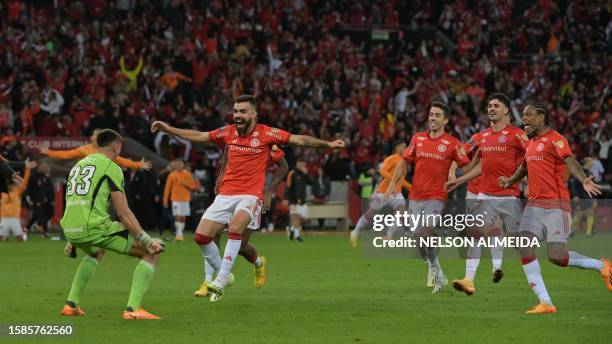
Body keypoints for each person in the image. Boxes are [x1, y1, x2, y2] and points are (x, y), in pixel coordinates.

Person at [151, 94, 345, 302]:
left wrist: (328, 144)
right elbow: (200, 136)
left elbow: (300, 140)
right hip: (226, 194)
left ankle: (219, 279)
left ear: (254, 113)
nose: (237, 115)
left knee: (236, 231)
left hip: (251, 195)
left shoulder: (268, 134)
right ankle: (231, 273)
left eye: (242, 111)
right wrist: (168, 129)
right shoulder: (228, 133)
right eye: (235, 111)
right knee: (201, 237)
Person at [498, 104, 610, 314]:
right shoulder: (531, 144)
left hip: (556, 206)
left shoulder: (556, 139)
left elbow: (569, 160)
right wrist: (510, 181)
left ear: (542, 117)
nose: (524, 119)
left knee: (557, 256)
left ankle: (601, 265)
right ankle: (546, 302)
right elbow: (524, 167)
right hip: (534, 206)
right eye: (523, 116)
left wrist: (584, 180)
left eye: (529, 115)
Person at [59, 129, 165, 320]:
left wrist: (70, 240)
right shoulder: (111, 167)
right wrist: (145, 239)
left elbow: (73, 201)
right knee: (151, 251)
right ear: (116, 146)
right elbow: (123, 213)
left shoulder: (78, 165)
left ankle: (71, 304)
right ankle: (133, 309)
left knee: (96, 251)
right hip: (93, 227)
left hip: (70, 228)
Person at [445, 93, 529, 295]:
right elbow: (475, 164)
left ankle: (509, 269)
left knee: (521, 244)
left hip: (508, 196)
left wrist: (531, 182)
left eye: (496, 106)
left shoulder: (517, 135)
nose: (491, 108)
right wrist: (457, 179)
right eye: (490, 106)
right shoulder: (481, 137)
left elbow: (532, 157)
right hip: (484, 195)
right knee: (475, 234)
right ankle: (469, 280)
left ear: (506, 110)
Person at [386, 101, 471, 293]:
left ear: (446, 120)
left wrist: (454, 174)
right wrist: (393, 183)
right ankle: (437, 270)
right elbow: (404, 163)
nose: (432, 118)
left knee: (424, 232)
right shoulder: (417, 139)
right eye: (431, 114)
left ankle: (435, 252)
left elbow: (465, 165)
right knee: (419, 239)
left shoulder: (452, 143)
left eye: (437, 115)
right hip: (416, 196)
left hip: (436, 196)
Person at [194, 145, 288, 298]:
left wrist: (270, 190)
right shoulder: (233, 137)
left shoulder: (266, 141)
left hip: (250, 197)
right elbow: (226, 156)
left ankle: (258, 262)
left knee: (240, 246)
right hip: (229, 194)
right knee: (211, 235)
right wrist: (221, 176)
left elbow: (284, 166)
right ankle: (209, 281)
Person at [350, 141, 410, 248]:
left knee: (401, 212)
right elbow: (383, 171)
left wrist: (412, 188)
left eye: (406, 146)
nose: (406, 148)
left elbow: (401, 181)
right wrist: (393, 180)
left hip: (397, 193)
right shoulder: (392, 158)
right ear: (396, 148)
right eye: (403, 146)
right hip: (384, 192)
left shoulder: (404, 162)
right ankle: (355, 232)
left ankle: (388, 236)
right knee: (370, 214)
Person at [39, 128, 152, 171]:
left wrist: (138, 165)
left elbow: (122, 160)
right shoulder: (84, 150)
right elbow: (67, 154)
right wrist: (49, 152)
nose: (90, 137)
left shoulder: (106, 151)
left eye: (93, 135)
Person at [163, 159, 199, 241]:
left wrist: (186, 184)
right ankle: (178, 234)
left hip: (185, 199)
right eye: (177, 164)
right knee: (177, 215)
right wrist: (165, 200)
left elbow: (193, 187)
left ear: (183, 165)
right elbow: (167, 188)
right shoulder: (171, 175)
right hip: (175, 199)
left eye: (180, 164)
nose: (178, 165)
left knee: (183, 217)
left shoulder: (188, 175)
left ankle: (180, 233)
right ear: (174, 165)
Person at [1, 159, 36, 241]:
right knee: (1, 238)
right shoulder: (3, 192)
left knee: (19, 239)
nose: (13, 186)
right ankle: (5, 236)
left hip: (14, 218)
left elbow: (25, 182)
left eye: (14, 185)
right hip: (4, 218)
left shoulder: (17, 192)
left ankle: (23, 235)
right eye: (12, 184)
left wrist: (28, 170)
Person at [569, 158, 597, 238]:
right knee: (579, 214)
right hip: (581, 197)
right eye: (591, 161)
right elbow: (573, 184)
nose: (592, 163)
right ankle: (572, 232)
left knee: (589, 214)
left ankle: (588, 234)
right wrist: (575, 195)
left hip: (588, 197)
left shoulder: (590, 173)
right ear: (587, 162)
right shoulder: (580, 173)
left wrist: (594, 197)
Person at [25, 162, 55, 238]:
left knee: (36, 216)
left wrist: (45, 198)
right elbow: (28, 188)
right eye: (44, 167)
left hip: (42, 200)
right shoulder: (33, 176)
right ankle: (43, 232)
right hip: (35, 200)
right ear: (40, 167)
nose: (46, 168)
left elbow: (44, 189)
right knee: (40, 215)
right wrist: (28, 199)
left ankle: (26, 228)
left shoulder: (44, 176)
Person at [285, 160, 312, 242]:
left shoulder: (304, 174)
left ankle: (291, 228)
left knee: (305, 219)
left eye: (304, 164)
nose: (302, 166)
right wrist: (286, 198)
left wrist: (306, 173)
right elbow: (288, 187)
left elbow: (311, 183)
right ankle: (297, 236)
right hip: (293, 201)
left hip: (303, 200)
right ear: (297, 164)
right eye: (301, 164)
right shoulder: (292, 173)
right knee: (296, 219)